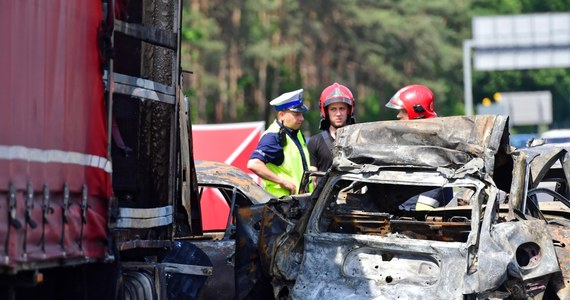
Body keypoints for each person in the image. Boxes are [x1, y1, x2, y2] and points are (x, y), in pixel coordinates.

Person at [385, 84, 452, 210]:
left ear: (417, 111)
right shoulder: (413, 139)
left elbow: (432, 193)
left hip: (423, 211)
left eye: (403, 110)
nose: (398, 115)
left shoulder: (436, 142)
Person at [248, 89, 313, 197]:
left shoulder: (296, 133)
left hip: (299, 203)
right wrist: (282, 182)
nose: (301, 118)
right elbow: (254, 164)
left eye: (301, 114)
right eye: (296, 114)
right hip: (282, 205)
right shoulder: (273, 136)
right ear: (281, 115)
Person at [307, 83, 355, 185]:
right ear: (326, 112)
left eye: (342, 108)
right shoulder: (315, 142)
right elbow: (313, 179)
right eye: (333, 109)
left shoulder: (358, 140)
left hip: (355, 198)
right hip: (325, 199)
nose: (338, 113)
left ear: (348, 111)